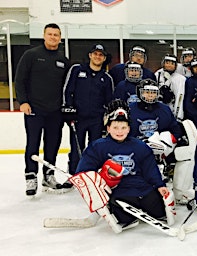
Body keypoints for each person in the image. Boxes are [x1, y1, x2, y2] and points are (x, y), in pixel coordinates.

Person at [74, 99, 173, 229]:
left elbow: (150, 170)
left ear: (129, 128)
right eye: (115, 127)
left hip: (142, 187)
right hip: (119, 192)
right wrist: (100, 182)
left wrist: (160, 186)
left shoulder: (140, 146)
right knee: (124, 217)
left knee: (158, 210)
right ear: (108, 128)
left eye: (123, 127)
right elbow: (84, 172)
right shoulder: (97, 147)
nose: (119, 131)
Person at [15, 23, 72, 196]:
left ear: (60, 38)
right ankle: (30, 177)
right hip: (34, 109)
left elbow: (68, 86)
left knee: (52, 145)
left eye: (56, 35)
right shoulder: (31, 55)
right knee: (33, 143)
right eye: (50, 34)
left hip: (55, 111)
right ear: (44, 35)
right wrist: (23, 101)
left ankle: (49, 176)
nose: (53, 37)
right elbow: (19, 80)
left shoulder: (64, 60)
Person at [62, 44, 114, 175]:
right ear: (90, 55)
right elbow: (67, 91)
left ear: (104, 58)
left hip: (96, 119)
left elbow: (109, 102)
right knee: (76, 147)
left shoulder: (107, 78)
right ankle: (74, 172)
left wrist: (107, 121)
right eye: (95, 54)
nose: (97, 57)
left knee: (95, 147)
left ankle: (92, 173)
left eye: (101, 55)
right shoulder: (77, 70)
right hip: (78, 118)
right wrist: (68, 109)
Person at [154, 54, 187, 121]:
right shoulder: (157, 75)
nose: (169, 65)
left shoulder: (180, 79)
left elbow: (179, 97)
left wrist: (178, 116)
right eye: (167, 63)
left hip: (172, 110)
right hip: (158, 110)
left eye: (172, 63)